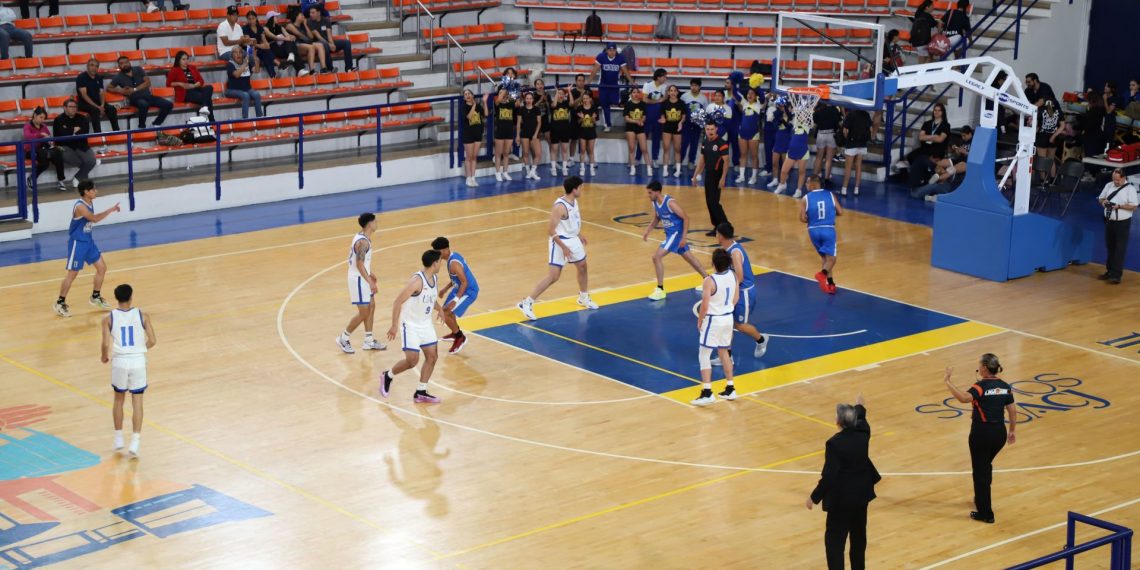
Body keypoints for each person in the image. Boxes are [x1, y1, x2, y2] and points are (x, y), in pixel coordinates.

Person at [806, 393, 881, 570]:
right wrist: (860, 405)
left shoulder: (834, 444)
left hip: (841, 501)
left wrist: (814, 497)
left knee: (834, 543)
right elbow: (861, 419)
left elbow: (829, 476)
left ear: (838, 421)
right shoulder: (863, 434)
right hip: (861, 497)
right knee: (858, 539)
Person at [943, 354, 1017, 524]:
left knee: (980, 473)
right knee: (985, 466)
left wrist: (948, 381)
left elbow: (963, 398)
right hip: (999, 433)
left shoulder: (980, 387)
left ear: (984, 367)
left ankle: (986, 513)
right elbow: (1012, 410)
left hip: (981, 434)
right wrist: (1012, 430)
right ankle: (981, 499)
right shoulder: (1005, 386)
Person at [517, 176, 599, 320]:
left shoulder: (574, 201)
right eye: (580, 187)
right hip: (559, 241)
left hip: (572, 238)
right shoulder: (560, 207)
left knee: (583, 266)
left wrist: (578, 234)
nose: (582, 190)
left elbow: (571, 222)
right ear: (574, 189)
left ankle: (583, 297)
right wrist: (564, 247)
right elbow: (550, 230)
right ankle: (527, 302)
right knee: (554, 276)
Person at [379, 250, 444, 404]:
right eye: (440, 261)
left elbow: (430, 299)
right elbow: (397, 302)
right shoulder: (416, 282)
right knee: (412, 360)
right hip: (410, 325)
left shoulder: (434, 278)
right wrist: (394, 325)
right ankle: (388, 375)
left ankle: (421, 391)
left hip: (425, 324)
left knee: (432, 357)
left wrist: (439, 309)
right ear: (434, 263)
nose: (441, 264)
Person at [101, 283, 156, 458]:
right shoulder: (143, 315)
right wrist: (140, 349)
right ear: (131, 297)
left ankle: (118, 438)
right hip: (137, 361)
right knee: (137, 401)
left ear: (116, 298)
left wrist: (104, 356)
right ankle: (135, 441)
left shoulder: (108, 318)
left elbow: (105, 344)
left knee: (118, 399)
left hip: (120, 361)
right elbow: (153, 340)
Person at [55, 180, 120, 318]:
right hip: (78, 243)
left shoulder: (90, 202)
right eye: (93, 190)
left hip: (88, 242)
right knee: (72, 274)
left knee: (102, 268)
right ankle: (60, 303)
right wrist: (111, 210)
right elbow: (94, 219)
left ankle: (95, 296)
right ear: (86, 192)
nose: (96, 191)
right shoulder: (80, 206)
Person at [712, 222, 770, 372]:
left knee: (739, 325)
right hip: (736, 291)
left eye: (717, 233)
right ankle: (726, 356)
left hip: (744, 293)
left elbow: (740, 277)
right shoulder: (727, 249)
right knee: (727, 324)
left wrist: (725, 288)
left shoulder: (735, 252)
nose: (716, 235)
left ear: (721, 236)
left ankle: (761, 339)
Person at [643, 181, 707, 300]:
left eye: (650, 193)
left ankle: (660, 289)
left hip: (676, 235)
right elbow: (657, 218)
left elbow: (686, 218)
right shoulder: (655, 203)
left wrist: (683, 237)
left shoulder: (670, 203)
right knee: (690, 258)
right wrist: (648, 230)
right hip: (670, 235)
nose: (648, 195)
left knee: (656, 257)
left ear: (657, 192)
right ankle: (708, 280)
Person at [690, 248, 737, 407]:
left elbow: (704, 305)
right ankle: (730, 388)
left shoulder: (709, 281)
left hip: (714, 320)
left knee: (704, 354)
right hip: (728, 318)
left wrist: (700, 320)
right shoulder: (733, 275)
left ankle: (707, 392)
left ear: (713, 263)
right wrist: (725, 308)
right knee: (724, 352)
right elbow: (736, 297)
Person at [337, 212, 385, 353]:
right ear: (369, 224)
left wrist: (370, 273)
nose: (376, 223)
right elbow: (359, 264)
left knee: (372, 306)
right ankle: (343, 338)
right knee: (364, 312)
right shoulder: (363, 242)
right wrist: (370, 281)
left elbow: (361, 262)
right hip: (358, 279)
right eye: (375, 221)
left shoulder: (363, 237)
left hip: (363, 277)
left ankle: (368, 341)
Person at [431, 236, 478, 354]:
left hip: (468, 291)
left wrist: (455, 300)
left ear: (445, 250)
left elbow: (464, 282)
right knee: (444, 311)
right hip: (459, 288)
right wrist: (445, 289)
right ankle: (455, 332)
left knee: (446, 312)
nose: (436, 254)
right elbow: (456, 279)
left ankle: (460, 337)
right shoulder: (452, 258)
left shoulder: (454, 263)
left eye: (437, 251)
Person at [800, 175, 843, 294]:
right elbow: (840, 212)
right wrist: (829, 214)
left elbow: (802, 218)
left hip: (813, 231)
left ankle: (831, 284)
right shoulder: (830, 195)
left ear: (814, 183)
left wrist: (814, 218)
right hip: (828, 229)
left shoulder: (805, 198)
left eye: (807, 182)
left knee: (825, 258)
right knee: (832, 259)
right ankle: (822, 274)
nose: (806, 185)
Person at [1097, 168, 1138, 284]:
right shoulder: (1109, 185)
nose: (1115, 182)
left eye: (1118, 180)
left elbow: (1134, 206)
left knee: (1119, 248)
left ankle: (1116, 275)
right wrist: (1103, 202)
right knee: (1110, 246)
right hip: (1109, 220)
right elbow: (1100, 198)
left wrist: (1119, 206)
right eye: (1114, 179)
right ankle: (1109, 271)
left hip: (1122, 223)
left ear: (1124, 178)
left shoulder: (1130, 189)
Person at [109, 56, 172, 129]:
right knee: (144, 104)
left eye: (126, 62)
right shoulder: (118, 77)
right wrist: (120, 90)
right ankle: (141, 127)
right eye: (122, 63)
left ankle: (156, 124)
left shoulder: (138, 69)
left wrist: (134, 89)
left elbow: (148, 83)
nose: (125, 64)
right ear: (119, 66)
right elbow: (109, 87)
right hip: (134, 99)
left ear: (129, 63)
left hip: (148, 96)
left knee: (168, 104)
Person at [692, 123, 730, 237]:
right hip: (708, 174)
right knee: (709, 202)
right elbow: (702, 160)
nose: (710, 131)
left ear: (716, 129)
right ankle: (717, 226)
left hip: (717, 174)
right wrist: (695, 175)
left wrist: (723, 178)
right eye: (708, 129)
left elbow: (726, 161)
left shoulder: (721, 143)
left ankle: (726, 227)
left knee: (714, 202)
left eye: (712, 129)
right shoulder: (705, 142)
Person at [900, 102, 950, 189]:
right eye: (935, 110)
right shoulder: (927, 123)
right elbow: (921, 137)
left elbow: (940, 139)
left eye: (939, 110)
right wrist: (933, 136)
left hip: (937, 149)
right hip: (925, 148)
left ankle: (930, 177)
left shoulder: (946, 125)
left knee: (925, 158)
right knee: (911, 156)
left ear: (943, 112)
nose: (936, 112)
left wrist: (927, 137)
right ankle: (919, 176)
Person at [51, 99, 97, 189]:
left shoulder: (83, 118)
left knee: (92, 161)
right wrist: (74, 130)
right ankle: (85, 183)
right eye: (71, 107)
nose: (74, 108)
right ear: (65, 108)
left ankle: (77, 178)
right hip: (65, 146)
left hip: (81, 144)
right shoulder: (58, 120)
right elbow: (61, 135)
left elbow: (85, 132)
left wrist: (69, 131)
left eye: (75, 107)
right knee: (82, 163)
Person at [589, 42, 630, 132]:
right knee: (605, 105)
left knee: (616, 101)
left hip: (614, 85)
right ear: (607, 50)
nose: (612, 52)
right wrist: (588, 82)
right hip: (603, 85)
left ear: (616, 51)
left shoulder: (620, 58)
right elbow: (594, 70)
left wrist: (631, 81)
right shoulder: (601, 57)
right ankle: (607, 124)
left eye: (614, 50)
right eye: (610, 50)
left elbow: (625, 70)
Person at [776, 100, 812, 198]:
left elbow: (810, 114)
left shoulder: (808, 125)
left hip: (802, 152)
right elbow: (789, 114)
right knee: (784, 171)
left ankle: (799, 190)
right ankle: (782, 184)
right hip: (792, 151)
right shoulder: (794, 122)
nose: (800, 115)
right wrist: (785, 105)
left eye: (802, 114)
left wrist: (808, 107)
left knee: (801, 172)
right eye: (799, 114)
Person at [167, 50, 215, 121]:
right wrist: (179, 84)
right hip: (186, 92)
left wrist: (196, 85)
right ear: (178, 60)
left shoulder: (192, 68)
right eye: (183, 59)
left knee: (209, 87)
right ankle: (212, 120)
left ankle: (204, 107)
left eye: (187, 59)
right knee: (208, 99)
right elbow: (168, 83)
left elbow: (201, 81)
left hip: (196, 88)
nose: (186, 61)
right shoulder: (174, 70)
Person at [75, 58, 119, 135]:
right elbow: (84, 95)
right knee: (95, 111)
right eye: (92, 65)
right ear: (87, 66)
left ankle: (117, 132)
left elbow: (101, 93)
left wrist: (102, 105)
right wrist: (98, 107)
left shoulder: (99, 77)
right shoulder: (81, 77)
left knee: (112, 109)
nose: (94, 68)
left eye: (96, 66)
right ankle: (98, 134)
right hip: (84, 104)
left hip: (98, 103)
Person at [307, 5, 353, 72]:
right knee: (324, 44)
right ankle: (330, 69)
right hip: (318, 44)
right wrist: (329, 44)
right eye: (310, 13)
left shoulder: (326, 20)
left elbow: (329, 35)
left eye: (313, 13)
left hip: (328, 43)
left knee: (346, 42)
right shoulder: (309, 21)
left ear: (319, 13)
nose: (311, 15)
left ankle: (349, 68)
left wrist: (332, 43)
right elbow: (318, 36)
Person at [22, 107, 57, 190]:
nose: (42, 120)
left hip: (41, 150)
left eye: (44, 118)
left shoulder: (44, 126)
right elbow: (28, 137)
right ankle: (32, 178)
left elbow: (49, 136)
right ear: (35, 115)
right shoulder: (27, 126)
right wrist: (40, 135)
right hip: (29, 151)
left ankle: (32, 177)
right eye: (41, 117)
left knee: (47, 162)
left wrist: (49, 140)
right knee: (45, 160)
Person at [225, 46, 265, 119]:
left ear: (243, 54)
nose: (238, 54)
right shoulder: (230, 64)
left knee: (256, 94)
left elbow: (257, 70)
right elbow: (237, 75)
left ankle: (260, 117)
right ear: (232, 55)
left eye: (240, 52)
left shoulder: (247, 62)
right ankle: (245, 119)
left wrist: (256, 59)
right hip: (232, 90)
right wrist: (245, 64)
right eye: (235, 53)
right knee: (245, 95)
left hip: (246, 89)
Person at [264, 11, 307, 77]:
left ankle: (292, 56)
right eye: (276, 17)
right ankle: (299, 69)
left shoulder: (280, 27)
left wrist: (292, 37)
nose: (277, 18)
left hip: (283, 48)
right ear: (271, 18)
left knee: (290, 42)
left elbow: (287, 35)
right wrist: (285, 38)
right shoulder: (265, 28)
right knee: (291, 46)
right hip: (273, 48)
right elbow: (273, 37)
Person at [286, 5, 326, 75]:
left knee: (320, 45)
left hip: (305, 44)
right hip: (295, 46)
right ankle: (312, 70)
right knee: (311, 47)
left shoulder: (303, 25)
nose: (303, 16)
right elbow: (301, 36)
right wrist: (309, 40)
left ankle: (323, 69)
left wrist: (305, 25)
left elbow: (311, 37)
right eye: (301, 15)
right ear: (296, 16)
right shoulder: (290, 25)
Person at [841, 108, 871, 196]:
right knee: (858, 166)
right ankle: (856, 189)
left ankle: (844, 189)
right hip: (862, 144)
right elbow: (871, 129)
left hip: (852, 143)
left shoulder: (851, 114)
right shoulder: (866, 114)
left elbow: (845, 130)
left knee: (848, 167)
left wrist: (846, 138)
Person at [736, 88, 763, 185]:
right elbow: (735, 92)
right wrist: (735, 82)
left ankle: (754, 177)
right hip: (742, 133)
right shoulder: (744, 103)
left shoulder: (758, 104)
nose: (750, 95)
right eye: (748, 93)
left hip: (753, 134)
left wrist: (756, 85)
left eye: (752, 93)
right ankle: (742, 176)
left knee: (754, 156)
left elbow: (762, 96)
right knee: (743, 155)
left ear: (756, 96)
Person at [642, 68, 668, 167]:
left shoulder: (664, 86)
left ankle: (655, 159)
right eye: (664, 76)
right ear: (658, 77)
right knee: (643, 137)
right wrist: (657, 101)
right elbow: (644, 100)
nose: (665, 78)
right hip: (648, 114)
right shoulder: (648, 84)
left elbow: (664, 99)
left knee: (656, 138)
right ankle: (637, 158)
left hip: (658, 115)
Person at [812, 102, 843, 188]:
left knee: (819, 157)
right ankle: (826, 180)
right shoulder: (835, 110)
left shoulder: (818, 110)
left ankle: (814, 178)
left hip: (821, 134)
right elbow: (840, 123)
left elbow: (815, 125)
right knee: (829, 159)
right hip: (831, 134)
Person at [459, 88, 485, 187]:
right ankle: (468, 178)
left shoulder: (478, 106)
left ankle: (473, 177)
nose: (468, 95)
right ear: (464, 98)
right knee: (469, 157)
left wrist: (484, 103)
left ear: (473, 95)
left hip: (477, 133)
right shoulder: (463, 107)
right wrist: (474, 105)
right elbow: (469, 117)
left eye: (469, 93)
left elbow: (485, 114)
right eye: (465, 94)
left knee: (474, 157)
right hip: (468, 134)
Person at [660, 85, 687, 178]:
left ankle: (678, 170)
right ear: (668, 92)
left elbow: (683, 116)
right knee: (666, 149)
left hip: (677, 128)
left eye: (675, 90)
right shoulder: (664, 103)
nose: (673, 92)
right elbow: (662, 116)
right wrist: (663, 119)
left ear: (677, 92)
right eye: (671, 90)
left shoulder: (681, 103)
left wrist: (681, 123)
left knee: (677, 149)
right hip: (667, 128)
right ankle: (665, 170)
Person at [680, 79, 707, 169]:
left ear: (699, 87)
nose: (693, 87)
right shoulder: (684, 96)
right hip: (686, 123)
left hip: (697, 124)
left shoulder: (703, 98)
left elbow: (705, 112)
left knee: (694, 143)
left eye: (696, 85)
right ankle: (679, 162)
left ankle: (691, 161)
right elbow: (680, 110)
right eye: (692, 85)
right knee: (684, 143)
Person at [489, 86, 515, 181]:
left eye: (505, 93)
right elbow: (499, 99)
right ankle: (497, 173)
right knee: (498, 153)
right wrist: (503, 91)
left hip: (509, 131)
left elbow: (518, 102)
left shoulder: (511, 103)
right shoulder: (497, 103)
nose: (503, 94)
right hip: (500, 131)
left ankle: (505, 172)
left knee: (506, 153)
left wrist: (510, 93)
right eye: (501, 93)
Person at [516, 91, 543, 181]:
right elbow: (518, 124)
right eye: (527, 98)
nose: (529, 100)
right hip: (524, 134)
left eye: (530, 98)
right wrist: (517, 136)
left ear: (533, 100)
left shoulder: (536, 109)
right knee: (526, 153)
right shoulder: (521, 109)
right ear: (525, 99)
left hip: (534, 134)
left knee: (538, 154)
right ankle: (528, 172)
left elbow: (539, 123)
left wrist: (535, 134)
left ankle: (533, 171)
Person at [766, 97, 791, 191]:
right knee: (774, 162)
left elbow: (789, 127)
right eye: (779, 105)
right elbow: (774, 126)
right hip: (778, 138)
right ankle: (775, 179)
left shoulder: (790, 115)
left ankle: (783, 182)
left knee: (784, 164)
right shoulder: (776, 114)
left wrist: (783, 120)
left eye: (782, 105)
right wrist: (777, 119)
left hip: (786, 139)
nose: (780, 107)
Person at [548, 87, 573, 177]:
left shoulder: (566, 103)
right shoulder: (552, 103)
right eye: (559, 94)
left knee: (565, 150)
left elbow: (572, 103)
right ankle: (553, 168)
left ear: (564, 95)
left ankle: (564, 168)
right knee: (554, 150)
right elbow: (554, 105)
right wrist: (556, 93)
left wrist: (569, 91)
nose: (560, 95)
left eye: (562, 93)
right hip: (555, 130)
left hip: (565, 130)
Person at [624, 87, 650, 176]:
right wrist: (636, 121)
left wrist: (641, 121)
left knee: (644, 149)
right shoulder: (628, 104)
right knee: (632, 148)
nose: (635, 94)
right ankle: (632, 168)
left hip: (640, 128)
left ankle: (649, 168)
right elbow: (626, 118)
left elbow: (644, 117)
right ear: (631, 94)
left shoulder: (643, 104)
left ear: (639, 94)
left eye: (637, 92)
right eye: (634, 92)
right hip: (630, 128)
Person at [243, 10, 277, 77]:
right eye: (249, 19)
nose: (251, 21)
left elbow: (266, 44)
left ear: (256, 18)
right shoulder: (245, 28)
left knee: (266, 52)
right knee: (265, 52)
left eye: (253, 18)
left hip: (258, 47)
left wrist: (260, 45)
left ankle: (272, 75)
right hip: (249, 49)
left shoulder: (260, 27)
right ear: (247, 19)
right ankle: (273, 73)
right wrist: (260, 45)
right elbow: (249, 43)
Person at [574, 91, 599, 176]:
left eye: (587, 98)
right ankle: (582, 168)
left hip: (591, 132)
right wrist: (581, 118)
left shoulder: (594, 108)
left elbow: (595, 123)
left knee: (591, 151)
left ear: (590, 99)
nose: (585, 100)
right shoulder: (579, 108)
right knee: (582, 150)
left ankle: (592, 168)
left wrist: (593, 119)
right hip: (582, 132)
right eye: (584, 98)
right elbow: (577, 122)